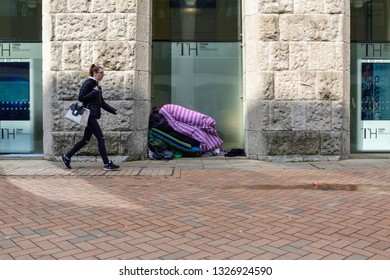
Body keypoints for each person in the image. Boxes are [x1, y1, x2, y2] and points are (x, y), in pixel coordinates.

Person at [61, 64, 120, 170]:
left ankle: (67, 156)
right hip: (89, 116)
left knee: (86, 140)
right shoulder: (89, 83)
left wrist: (113, 111)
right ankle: (107, 163)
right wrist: (94, 92)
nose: (103, 75)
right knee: (101, 138)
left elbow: (102, 103)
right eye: (101, 73)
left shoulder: (96, 85)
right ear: (95, 73)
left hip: (92, 115)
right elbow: (81, 98)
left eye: (103, 73)